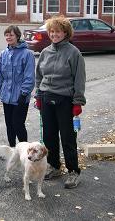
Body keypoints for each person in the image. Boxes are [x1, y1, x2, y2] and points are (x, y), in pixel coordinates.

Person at [34, 15, 86, 189]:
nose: (54, 34)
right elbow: (39, 76)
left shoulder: (74, 53)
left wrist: (77, 101)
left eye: (57, 31)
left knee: (68, 137)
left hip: (66, 100)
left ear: (65, 32)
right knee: (49, 136)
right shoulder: (45, 52)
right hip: (47, 98)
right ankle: (55, 166)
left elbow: (79, 79)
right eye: (51, 31)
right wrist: (39, 96)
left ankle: (73, 171)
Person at [0, 25, 35, 148]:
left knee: (18, 124)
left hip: (20, 97)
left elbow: (29, 77)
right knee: (9, 124)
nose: (9, 37)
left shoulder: (27, 54)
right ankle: (12, 149)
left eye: (11, 35)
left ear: (17, 36)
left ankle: (25, 150)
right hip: (6, 96)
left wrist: (24, 93)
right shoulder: (3, 54)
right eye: (7, 35)